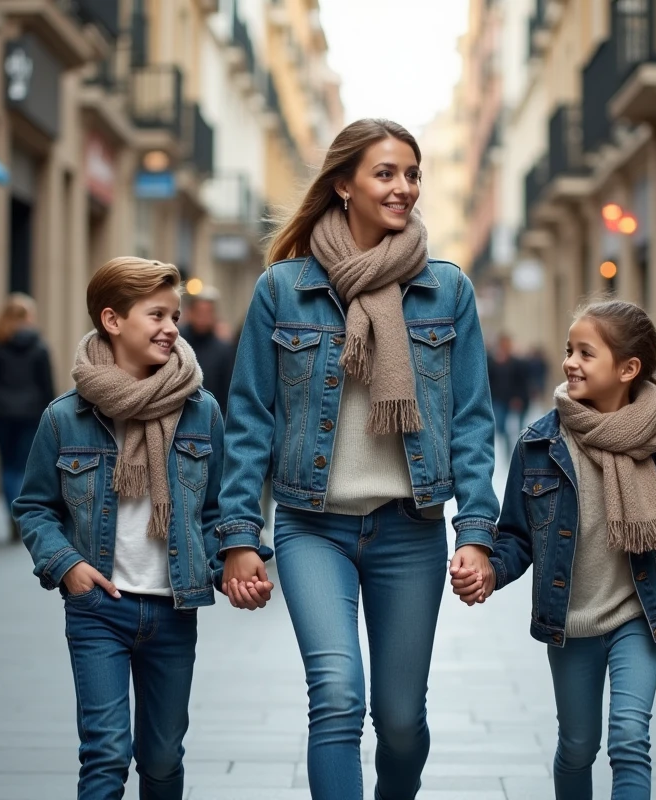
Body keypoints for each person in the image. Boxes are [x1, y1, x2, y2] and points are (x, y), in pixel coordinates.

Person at [218, 118, 499, 799]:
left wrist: (478, 534)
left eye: (411, 174)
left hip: (410, 529)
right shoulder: (283, 290)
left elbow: (470, 421)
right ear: (343, 185)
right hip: (313, 527)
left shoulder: (446, 289)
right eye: (385, 173)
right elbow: (250, 417)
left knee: (401, 722)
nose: (403, 188)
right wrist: (237, 538)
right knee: (338, 697)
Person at [13, 257, 246, 799]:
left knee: (162, 760)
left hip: (172, 608)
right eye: (157, 314)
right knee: (105, 754)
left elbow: (215, 510)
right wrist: (67, 566)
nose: (172, 327)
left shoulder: (201, 411)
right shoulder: (64, 418)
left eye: (176, 316)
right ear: (113, 320)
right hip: (100, 610)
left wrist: (235, 559)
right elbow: (34, 507)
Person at [457, 299, 656, 800]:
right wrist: (488, 570)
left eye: (586, 353)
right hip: (570, 622)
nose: (570, 361)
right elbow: (517, 537)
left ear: (627, 369)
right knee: (577, 746)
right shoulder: (539, 445)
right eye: (570, 350)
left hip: (638, 614)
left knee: (630, 740)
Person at [0, 293, 55, 542]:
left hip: (1, 413)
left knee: (7, 465)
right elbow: (47, 386)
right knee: (24, 466)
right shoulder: (40, 347)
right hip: (31, 413)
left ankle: (12, 513)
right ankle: (20, 514)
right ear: (29, 317)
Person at [178, 286, 237, 417]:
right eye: (199, 313)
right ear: (190, 312)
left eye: (208, 313)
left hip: (211, 416)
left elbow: (228, 391)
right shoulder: (178, 344)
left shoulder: (224, 350)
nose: (203, 318)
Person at [487, 333, 531, 444]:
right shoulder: (492, 361)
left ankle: (516, 447)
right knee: (501, 426)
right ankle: (507, 446)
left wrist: (518, 397)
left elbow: (521, 381)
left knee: (517, 426)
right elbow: (490, 379)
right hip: (498, 398)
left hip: (513, 398)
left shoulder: (517, 362)